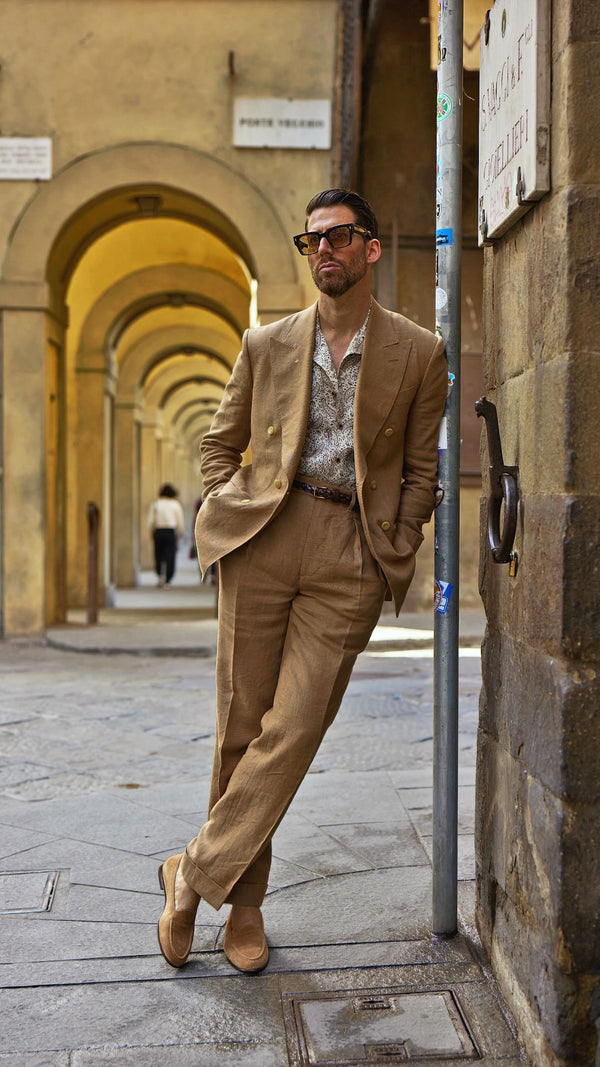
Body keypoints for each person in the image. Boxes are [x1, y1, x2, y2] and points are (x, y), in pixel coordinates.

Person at [157, 189, 448, 974]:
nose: (324, 250)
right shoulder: (267, 343)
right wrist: (227, 505)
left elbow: (422, 469)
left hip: (351, 549)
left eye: (340, 237)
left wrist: (399, 532)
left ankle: (191, 873)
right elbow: (222, 444)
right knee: (240, 729)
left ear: (371, 249)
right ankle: (243, 907)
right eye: (311, 240)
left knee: (295, 728)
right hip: (264, 537)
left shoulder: (421, 352)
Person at [147, 484, 185, 587]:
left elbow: (151, 520)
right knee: (170, 556)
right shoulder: (176, 504)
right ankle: (168, 580)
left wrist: (150, 531)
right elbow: (180, 520)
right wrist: (180, 532)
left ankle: (160, 576)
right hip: (170, 531)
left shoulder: (156, 504)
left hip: (159, 531)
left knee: (158, 554)